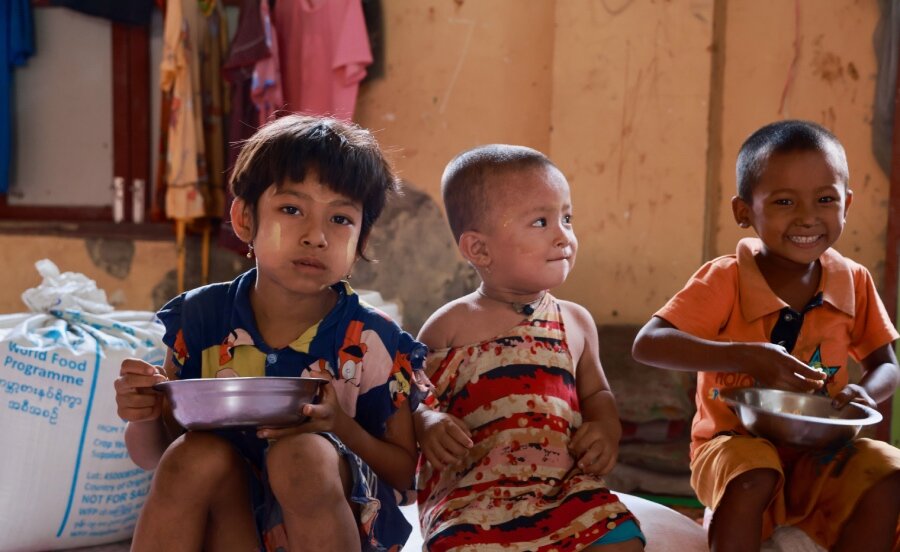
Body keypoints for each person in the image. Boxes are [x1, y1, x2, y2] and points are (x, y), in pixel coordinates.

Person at [114, 114, 429, 552]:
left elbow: (406, 476)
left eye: (340, 219)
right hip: (232, 529)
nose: (315, 235)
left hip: (332, 527)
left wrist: (341, 428)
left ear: (362, 240)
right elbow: (154, 457)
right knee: (192, 455)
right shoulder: (200, 319)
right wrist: (144, 413)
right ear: (244, 219)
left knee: (300, 455)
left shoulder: (374, 338)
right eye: (291, 209)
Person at [632, 119, 900, 552]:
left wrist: (866, 393)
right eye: (784, 201)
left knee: (888, 471)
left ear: (847, 204)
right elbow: (649, 343)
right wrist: (747, 358)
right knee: (755, 471)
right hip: (732, 446)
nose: (808, 217)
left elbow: (886, 364)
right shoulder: (726, 278)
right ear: (744, 212)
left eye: (826, 199)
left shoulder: (853, 280)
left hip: (821, 451)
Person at [413, 144, 645, 551]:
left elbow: (597, 393)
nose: (564, 236)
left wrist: (607, 428)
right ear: (479, 249)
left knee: (620, 534)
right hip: (473, 496)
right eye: (541, 222)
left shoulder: (576, 322)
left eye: (567, 218)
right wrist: (427, 422)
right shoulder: (449, 326)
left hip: (561, 489)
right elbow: (409, 399)